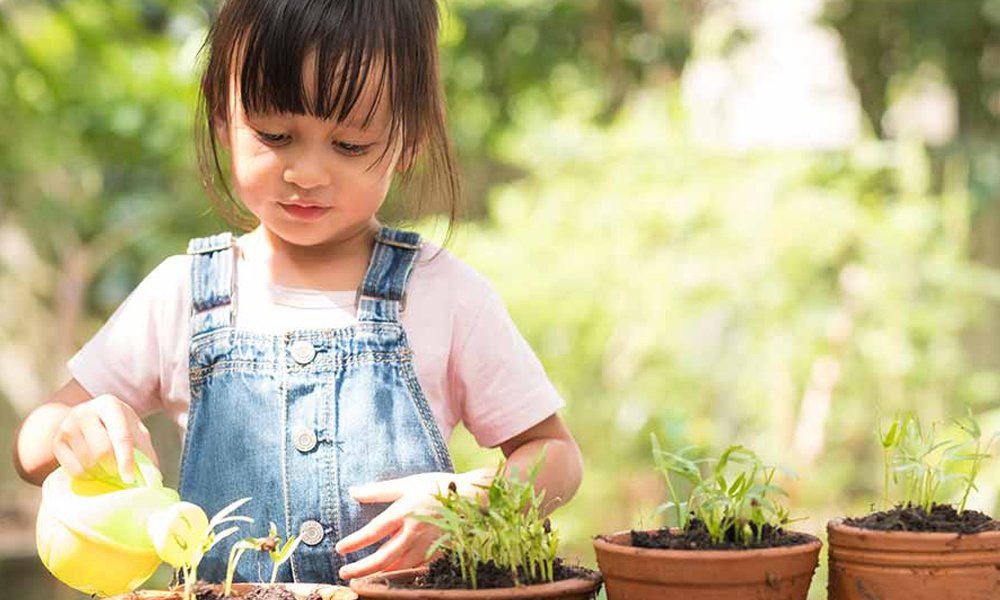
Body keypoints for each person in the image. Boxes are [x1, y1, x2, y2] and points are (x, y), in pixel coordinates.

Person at [12, 0, 583, 585]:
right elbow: (33, 446)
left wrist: (468, 501)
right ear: (222, 116)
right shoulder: (183, 293)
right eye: (275, 135)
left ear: (409, 138)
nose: (306, 173)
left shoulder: (443, 294)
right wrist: (77, 429)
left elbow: (555, 457)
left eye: (351, 145)